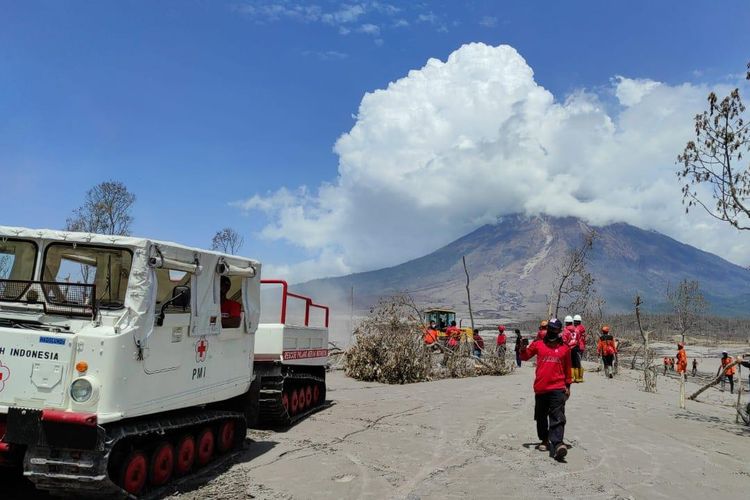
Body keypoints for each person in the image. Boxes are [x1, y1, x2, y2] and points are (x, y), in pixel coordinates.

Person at [520, 318, 572, 461]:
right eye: (550, 329)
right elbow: (524, 357)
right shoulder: (538, 345)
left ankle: (558, 444)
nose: (551, 332)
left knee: (557, 417)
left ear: (559, 331)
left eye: (554, 329)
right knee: (541, 417)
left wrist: (568, 386)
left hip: (558, 388)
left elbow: (568, 369)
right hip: (541, 388)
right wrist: (522, 347)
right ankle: (544, 440)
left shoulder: (565, 348)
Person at [563, 316, 582, 383]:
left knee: (569, 363)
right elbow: (578, 339)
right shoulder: (577, 330)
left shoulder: (565, 330)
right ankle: (578, 378)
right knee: (576, 362)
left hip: (568, 348)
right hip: (576, 347)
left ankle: (570, 378)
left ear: (566, 323)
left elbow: (564, 340)